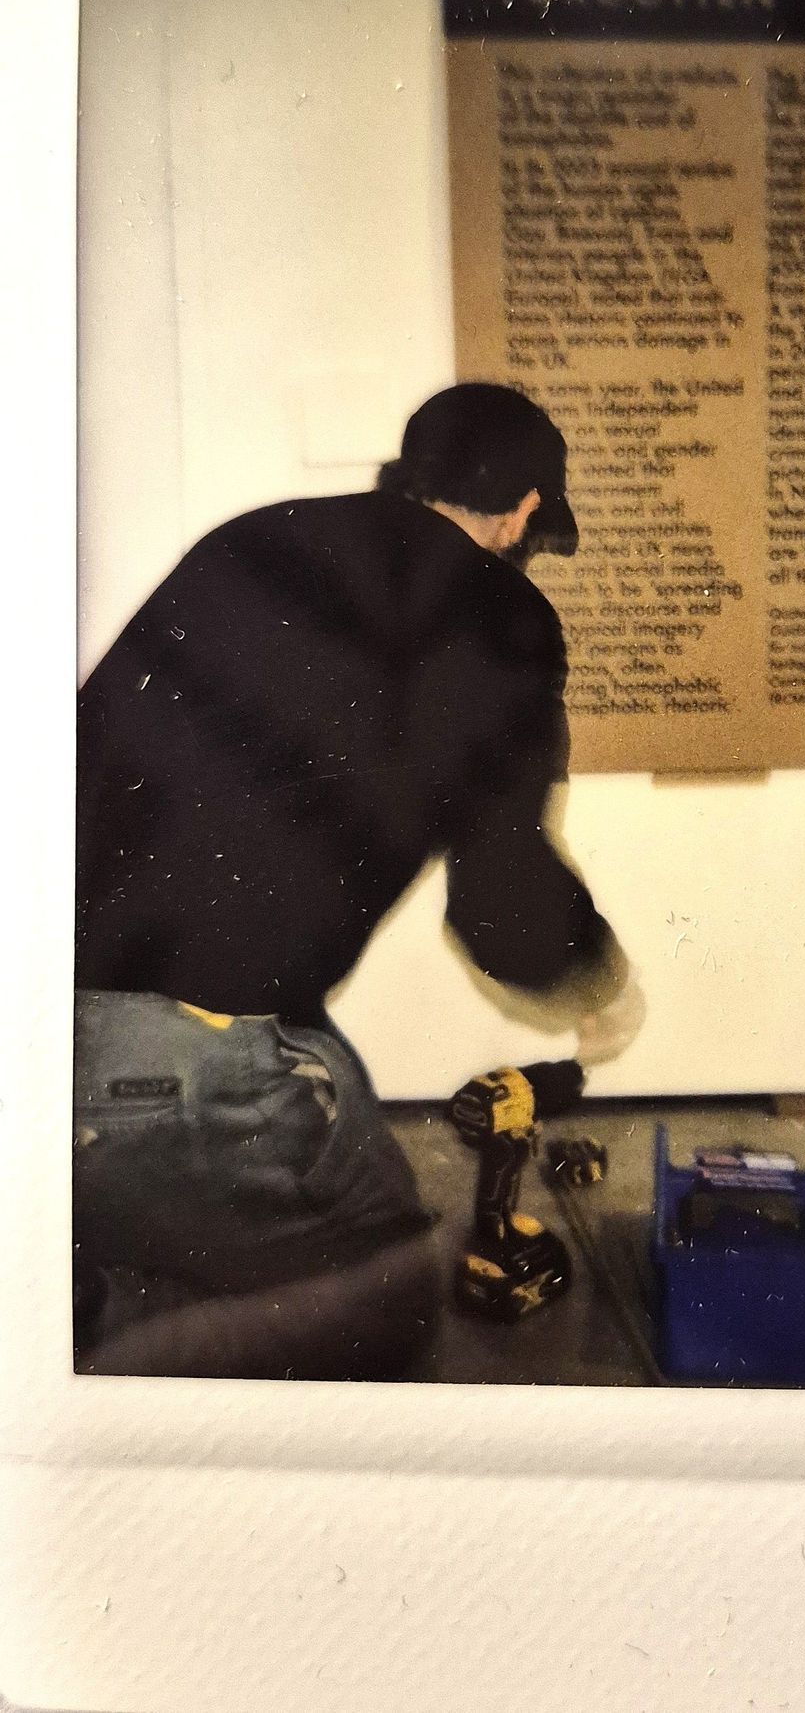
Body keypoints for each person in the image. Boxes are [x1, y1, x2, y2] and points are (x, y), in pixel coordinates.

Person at [74, 381, 643, 1376]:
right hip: (174, 1066)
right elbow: (502, 908)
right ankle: (93, 1338)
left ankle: (95, 1259)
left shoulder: (254, 536)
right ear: (523, 512)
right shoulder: (502, 619)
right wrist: (600, 986)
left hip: (39, 1007)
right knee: (389, 1310)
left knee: (321, 1092)